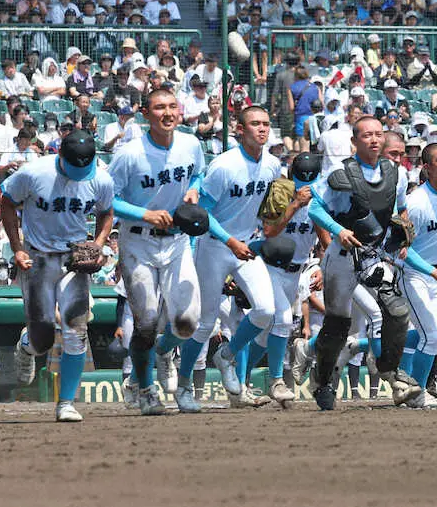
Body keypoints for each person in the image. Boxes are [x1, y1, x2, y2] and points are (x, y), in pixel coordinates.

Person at [306, 115, 420, 411]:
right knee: (338, 325)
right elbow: (315, 209)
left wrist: (402, 233)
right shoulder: (341, 172)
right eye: (366, 135)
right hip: (342, 256)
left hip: (373, 254)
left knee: (397, 311)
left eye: (378, 134)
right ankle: (323, 379)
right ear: (354, 142)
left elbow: (400, 210)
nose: (373, 139)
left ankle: (390, 373)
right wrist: (338, 231)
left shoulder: (397, 173)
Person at [1, 130, 115, 422]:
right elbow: (7, 201)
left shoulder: (100, 178)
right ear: (60, 155)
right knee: (43, 340)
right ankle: (28, 344)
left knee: (77, 330)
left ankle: (66, 402)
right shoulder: (34, 173)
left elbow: (106, 213)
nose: (80, 173)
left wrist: (98, 245)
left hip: (74, 260)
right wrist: (17, 247)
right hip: (37, 258)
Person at [107, 89, 206, 414]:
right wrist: (144, 213)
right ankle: (145, 388)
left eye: (172, 106)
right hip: (139, 240)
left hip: (177, 241)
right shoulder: (129, 153)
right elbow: (108, 200)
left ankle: (165, 353)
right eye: (159, 107)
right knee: (146, 322)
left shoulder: (191, 144)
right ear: (145, 114)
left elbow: (199, 174)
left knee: (188, 322)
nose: (167, 112)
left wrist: (193, 189)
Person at [178, 105, 280, 409]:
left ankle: (227, 354)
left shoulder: (273, 164)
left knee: (265, 311)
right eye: (254, 124)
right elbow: (201, 214)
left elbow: (267, 209)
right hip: (214, 245)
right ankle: (184, 387)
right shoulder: (224, 166)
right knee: (205, 323)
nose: (261, 129)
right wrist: (230, 240)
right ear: (240, 129)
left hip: (246, 245)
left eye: (265, 123)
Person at [393, 144, 437, 408]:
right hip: (413, 274)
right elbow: (402, 250)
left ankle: (386, 353)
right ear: (426, 167)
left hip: (436, 272)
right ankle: (417, 392)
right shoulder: (415, 203)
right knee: (433, 337)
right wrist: (434, 271)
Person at [256, 152, 324, 406]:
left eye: (310, 178)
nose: (305, 183)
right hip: (271, 267)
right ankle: (277, 382)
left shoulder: (318, 201)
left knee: (265, 338)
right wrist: (294, 204)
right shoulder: (280, 193)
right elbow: (269, 231)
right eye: (301, 177)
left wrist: (324, 269)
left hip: (297, 272)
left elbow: (325, 240)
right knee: (283, 322)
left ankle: (236, 375)